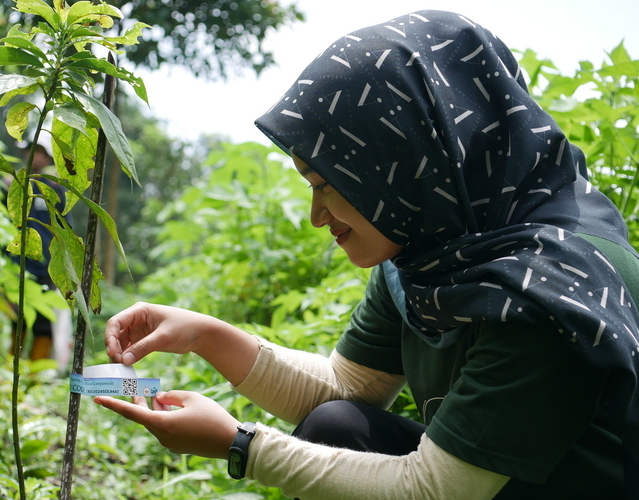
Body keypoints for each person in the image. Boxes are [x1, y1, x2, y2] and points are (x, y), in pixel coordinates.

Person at [94, 10, 639, 499]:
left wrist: (242, 446)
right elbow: (351, 387)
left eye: (327, 185)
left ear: (402, 160)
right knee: (339, 424)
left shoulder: (555, 286)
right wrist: (205, 335)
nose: (316, 215)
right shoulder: (428, 253)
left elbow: (438, 489)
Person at [6, 134, 72, 369]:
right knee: (16, 321)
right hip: (16, 266)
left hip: (47, 268)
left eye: (41, 152)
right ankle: (9, 372)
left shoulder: (56, 191)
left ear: (48, 158)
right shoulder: (12, 185)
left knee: (44, 323)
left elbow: (65, 229)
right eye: (31, 151)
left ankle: (37, 377)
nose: (34, 156)